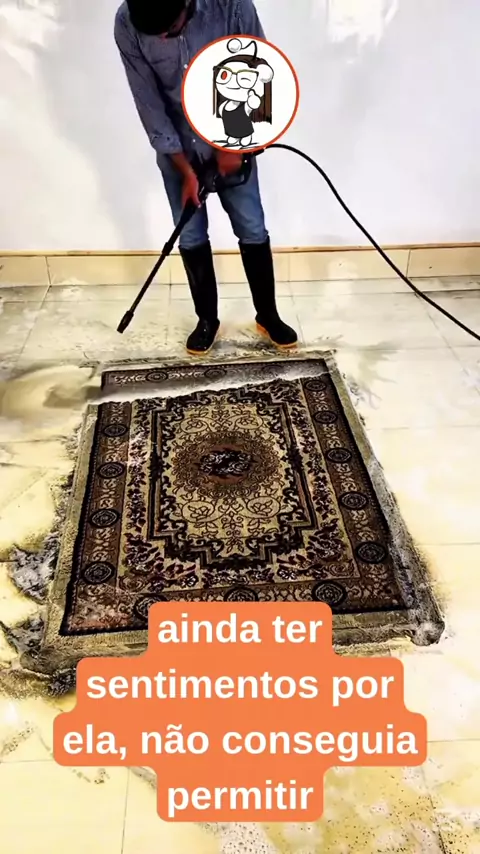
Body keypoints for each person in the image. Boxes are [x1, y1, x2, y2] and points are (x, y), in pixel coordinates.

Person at [114, 0, 298, 355]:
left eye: (171, 29)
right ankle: (206, 320)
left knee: (252, 226)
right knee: (191, 234)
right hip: (178, 147)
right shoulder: (126, 22)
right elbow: (148, 101)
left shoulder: (230, 5)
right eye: (155, 35)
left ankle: (268, 315)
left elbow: (262, 69)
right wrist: (185, 170)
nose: (163, 38)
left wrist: (233, 145)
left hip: (233, 134)